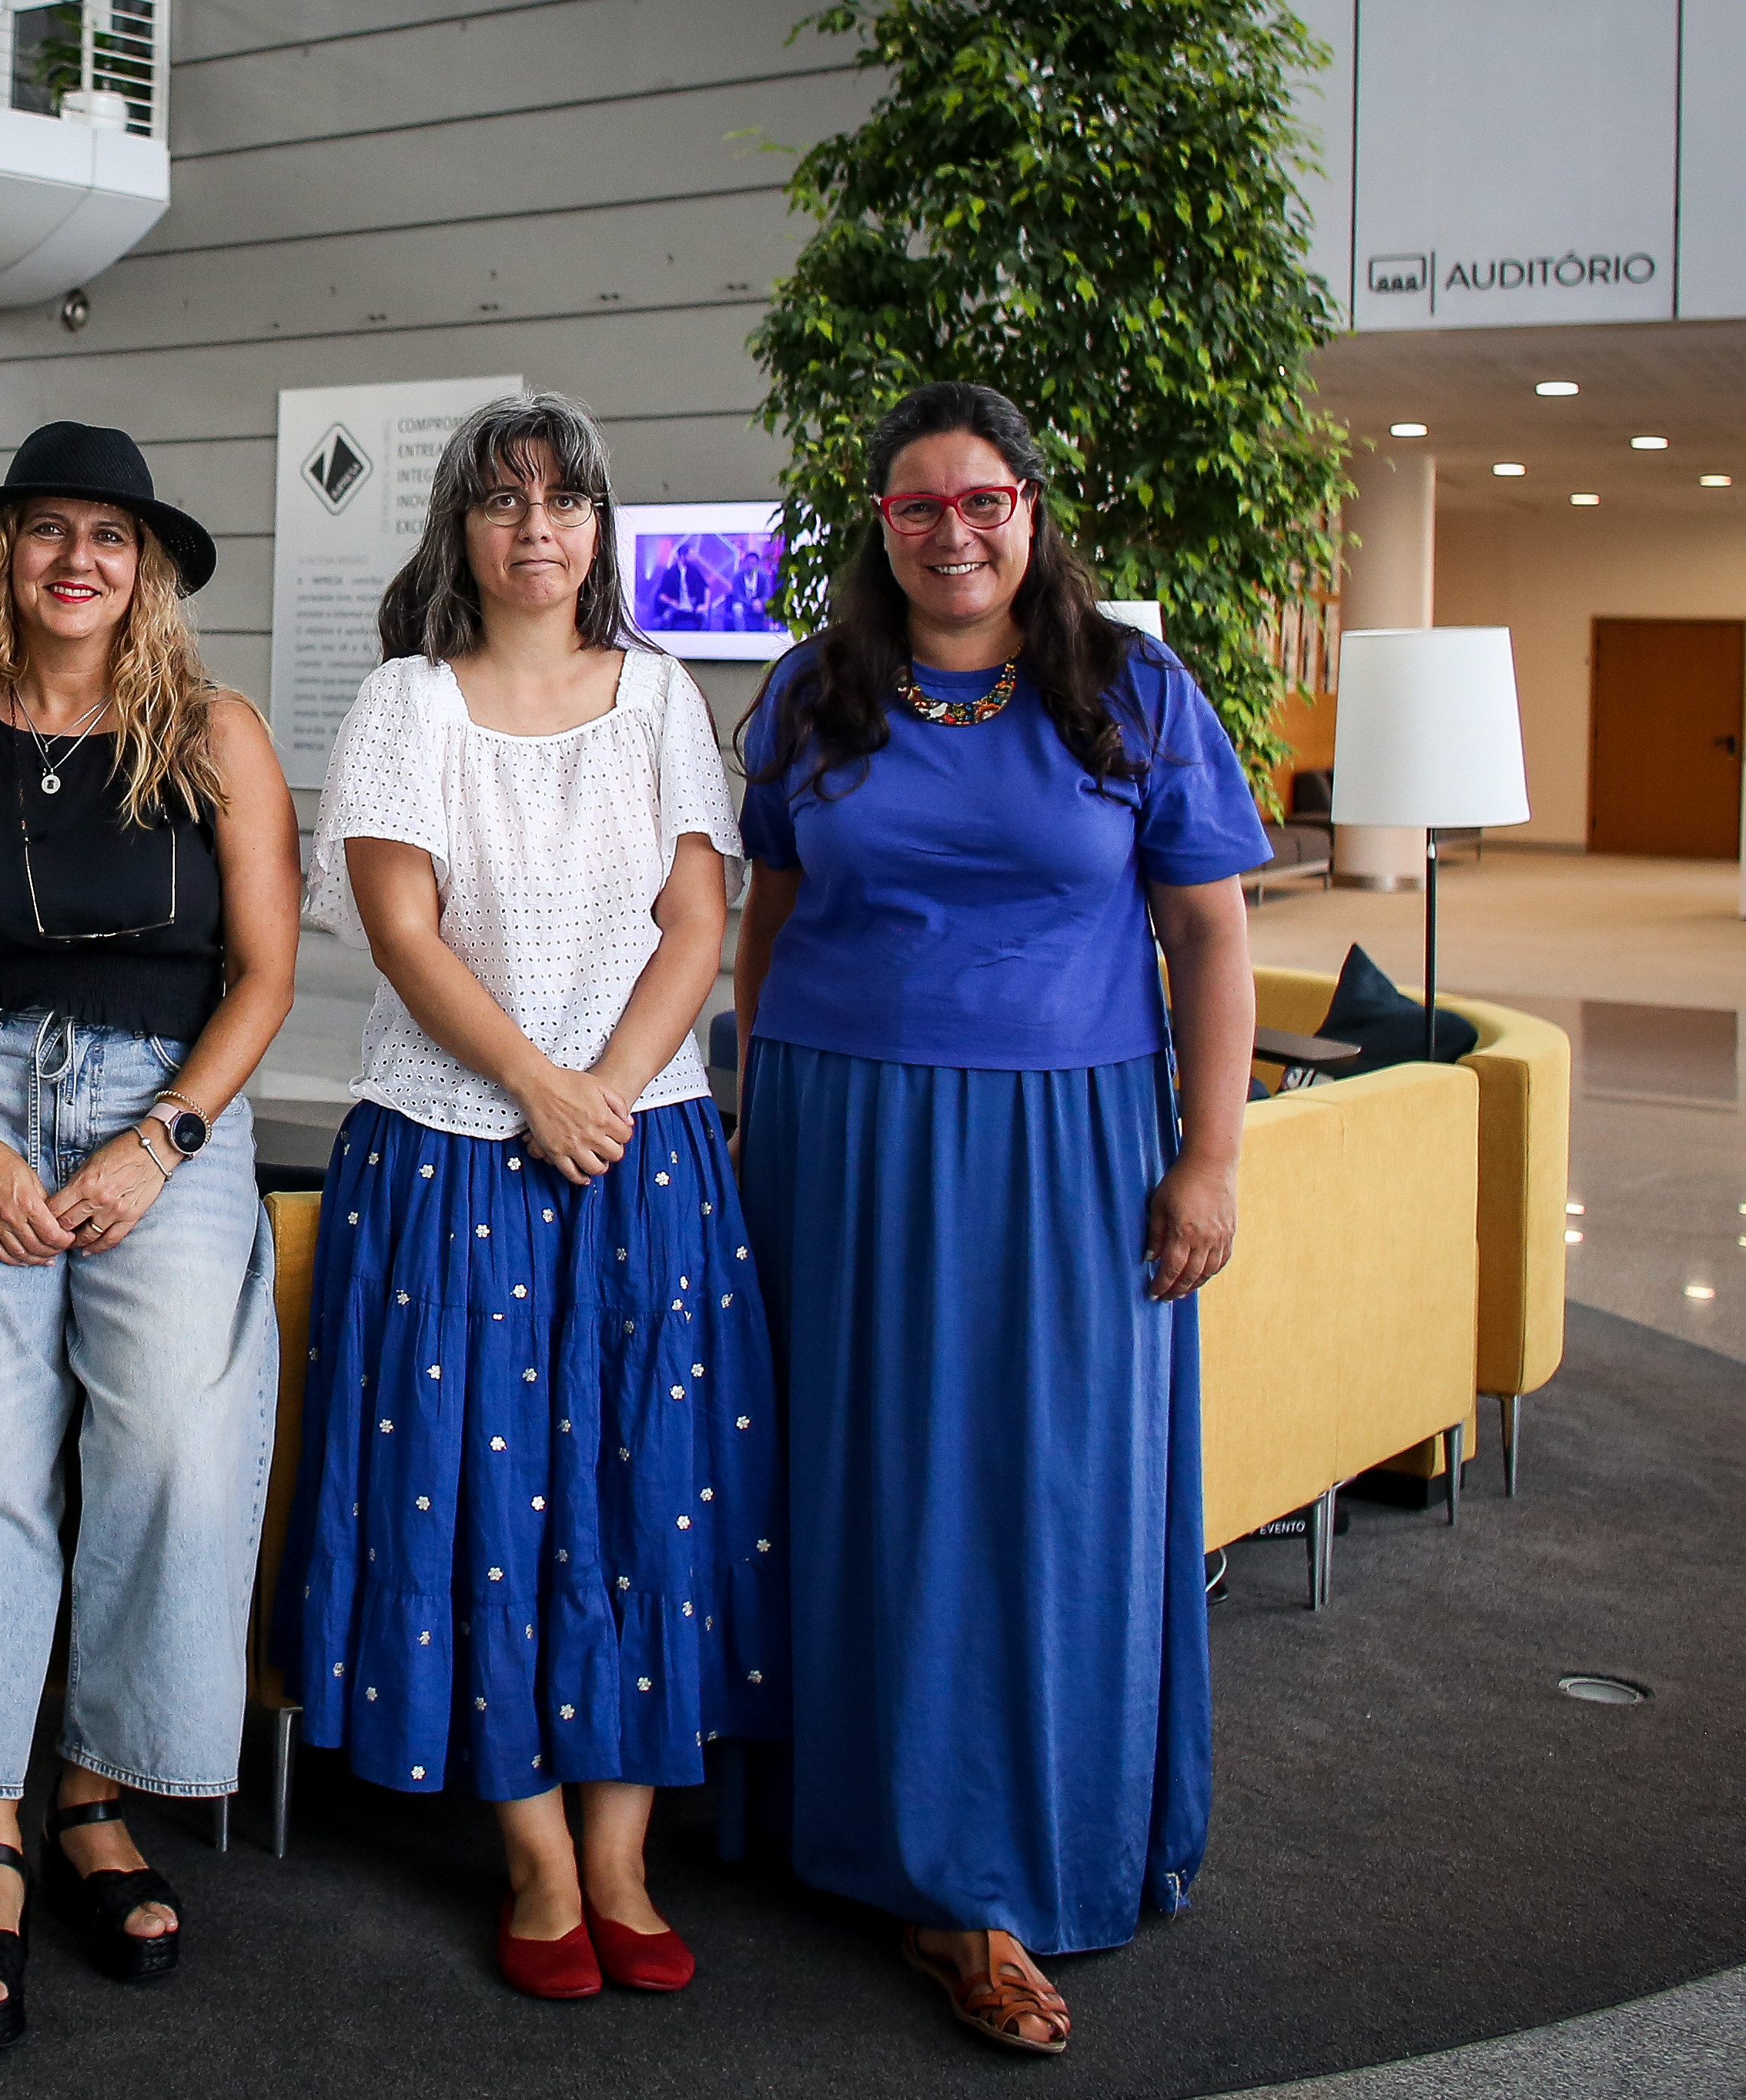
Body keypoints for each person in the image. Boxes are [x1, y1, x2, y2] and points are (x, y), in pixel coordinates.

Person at [734, 380, 1267, 2053]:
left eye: (984, 500)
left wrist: (1210, 1155)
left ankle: (1015, 1860)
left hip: (1068, 1138)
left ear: (1033, 508)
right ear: (877, 530)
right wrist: (765, 1109)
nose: (954, 532)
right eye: (916, 507)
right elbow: (773, 911)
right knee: (861, 1478)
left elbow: (1215, 937)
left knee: (1050, 1491)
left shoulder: (1132, 687)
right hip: (841, 1131)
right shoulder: (815, 695)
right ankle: (878, 1842)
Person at [275, 391, 784, 2001]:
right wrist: (539, 1088)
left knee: (650, 1486)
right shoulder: (404, 704)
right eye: (504, 502)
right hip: (450, 1148)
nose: (537, 527)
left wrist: (608, 1090)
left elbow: (697, 922)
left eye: (565, 500)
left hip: (648, 1145)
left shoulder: (661, 703)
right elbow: (403, 930)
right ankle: (540, 1856)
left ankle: (626, 1851)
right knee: (468, 1501)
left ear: (600, 528)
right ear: (460, 530)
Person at [0, 422, 299, 2049]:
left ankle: (95, 1790)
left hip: (162, 1111)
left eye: (110, 536)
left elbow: (263, 971)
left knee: (173, 1441)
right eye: (48, 531)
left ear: (148, 566)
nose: (79, 561)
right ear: (3, 557)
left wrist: (165, 1137)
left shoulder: (216, 733)